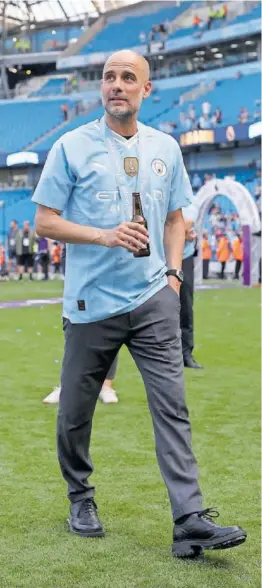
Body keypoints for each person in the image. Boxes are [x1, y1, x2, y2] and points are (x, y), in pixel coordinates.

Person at [32, 49, 246, 558]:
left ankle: (189, 519)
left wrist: (172, 277)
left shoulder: (166, 148)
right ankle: (80, 497)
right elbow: (44, 221)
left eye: (129, 77)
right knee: (75, 416)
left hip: (153, 298)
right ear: (100, 88)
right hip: (91, 304)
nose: (117, 85)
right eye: (109, 77)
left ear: (146, 89)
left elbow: (176, 218)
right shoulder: (70, 146)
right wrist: (104, 236)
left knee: (173, 408)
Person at [180, 198, 203, 370]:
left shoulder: (189, 201)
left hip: (183, 257)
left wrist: (178, 229)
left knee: (186, 307)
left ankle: (186, 353)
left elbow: (187, 222)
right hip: (159, 257)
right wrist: (182, 231)